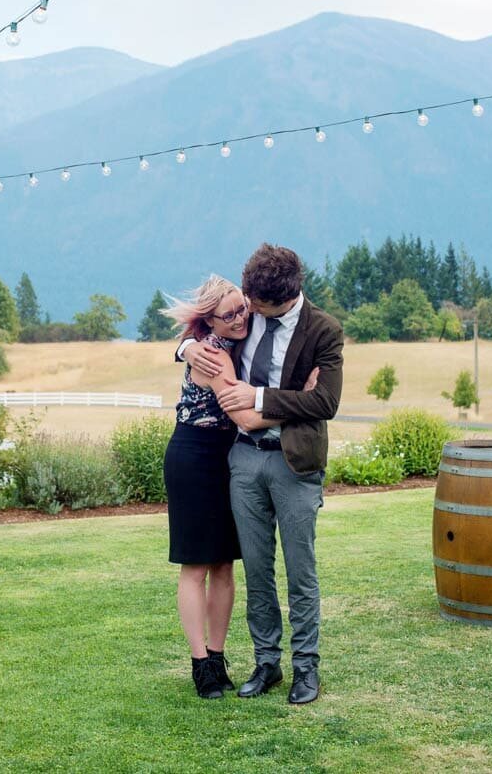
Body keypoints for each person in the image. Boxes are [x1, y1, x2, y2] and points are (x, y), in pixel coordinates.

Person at [182, 244, 344, 706]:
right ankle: (266, 662)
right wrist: (187, 346)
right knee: (256, 569)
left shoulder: (324, 331)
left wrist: (258, 400)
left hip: (295, 463)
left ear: (287, 296)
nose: (247, 309)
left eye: (257, 303)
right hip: (244, 460)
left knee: (301, 572)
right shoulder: (244, 318)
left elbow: (325, 403)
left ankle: (306, 669)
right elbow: (199, 333)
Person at [163, 275, 296, 700]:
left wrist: (181, 345)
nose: (240, 318)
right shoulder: (212, 357)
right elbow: (243, 417)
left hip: (230, 458)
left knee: (224, 565)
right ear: (210, 323)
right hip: (195, 456)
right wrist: (305, 405)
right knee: (196, 565)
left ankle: (218, 658)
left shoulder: (237, 336)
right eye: (229, 314)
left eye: (243, 308)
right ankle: (200, 664)